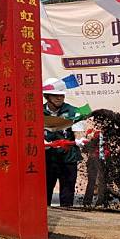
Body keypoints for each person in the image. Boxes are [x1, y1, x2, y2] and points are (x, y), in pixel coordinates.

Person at [43, 77, 80, 207]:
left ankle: (68, 220)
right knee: (45, 190)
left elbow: (78, 130)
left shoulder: (73, 111)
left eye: (61, 96)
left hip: (68, 158)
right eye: (56, 95)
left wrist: (79, 139)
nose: (59, 98)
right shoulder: (37, 111)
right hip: (47, 158)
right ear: (47, 96)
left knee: (67, 191)